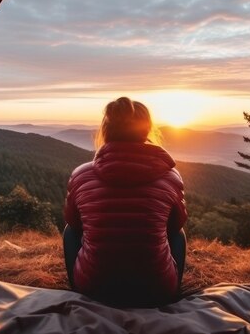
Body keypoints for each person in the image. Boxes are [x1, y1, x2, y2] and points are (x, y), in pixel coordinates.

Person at [63, 96, 187, 307]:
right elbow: (175, 226)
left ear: (106, 130)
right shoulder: (170, 176)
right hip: (156, 291)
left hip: (94, 289)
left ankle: (77, 289)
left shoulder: (80, 175)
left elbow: (75, 225)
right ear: (146, 131)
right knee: (179, 235)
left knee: (69, 232)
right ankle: (173, 292)